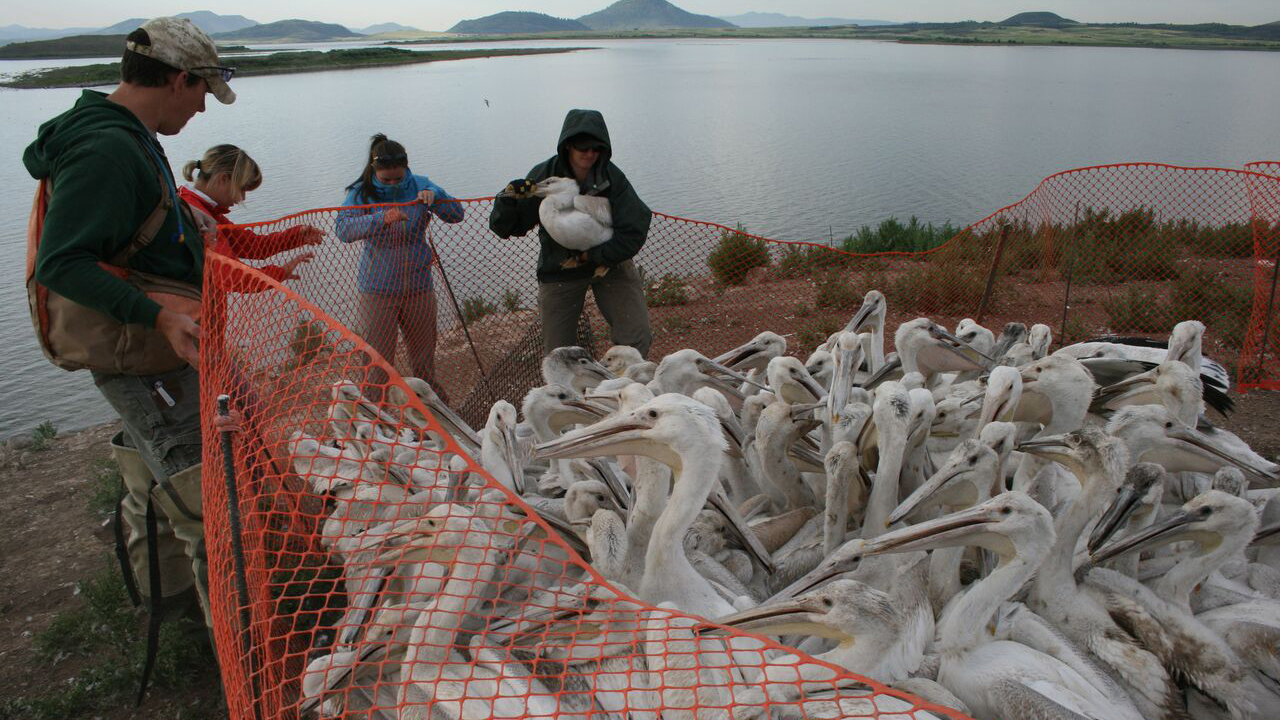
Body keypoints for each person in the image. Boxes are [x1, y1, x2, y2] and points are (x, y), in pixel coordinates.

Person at [23, 17, 235, 633]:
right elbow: (61, 262)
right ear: (176, 77)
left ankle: (170, 613)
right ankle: (240, 653)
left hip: (146, 353)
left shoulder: (127, 132)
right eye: (201, 94)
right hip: (145, 358)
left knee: (151, 482)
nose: (201, 110)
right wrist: (159, 317)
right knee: (211, 509)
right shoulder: (106, 146)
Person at [489, 108, 653, 357]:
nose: (589, 154)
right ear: (567, 145)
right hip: (560, 268)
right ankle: (571, 394)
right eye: (582, 147)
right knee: (558, 354)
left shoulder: (612, 178)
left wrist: (599, 255)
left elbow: (635, 227)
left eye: (596, 148)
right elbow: (507, 228)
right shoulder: (545, 176)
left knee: (636, 337)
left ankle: (625, 390)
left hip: (610, 261)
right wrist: (507, 200)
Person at [335, 134, 464, 397]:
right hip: (376, 291)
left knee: (424, 364)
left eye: (399, 178)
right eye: (387, 179)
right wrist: (381, 218)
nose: (394, 183)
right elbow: (343, 229)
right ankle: (377, 425)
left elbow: (457, 215)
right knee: (376, 367)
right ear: (374, 171)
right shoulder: (360, 192)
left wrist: (436, 197)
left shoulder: (421, 184)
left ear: (407, 168)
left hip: (419, 288)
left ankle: (437, 421)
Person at [179, 144, 321, 282]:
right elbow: (233, 276)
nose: (242, 198)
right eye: (241, 189)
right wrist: (281, 272)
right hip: (194, 304)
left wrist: (296, 236)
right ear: (223, 179)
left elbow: (252, 246)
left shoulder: (204, 210)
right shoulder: (197, 216)